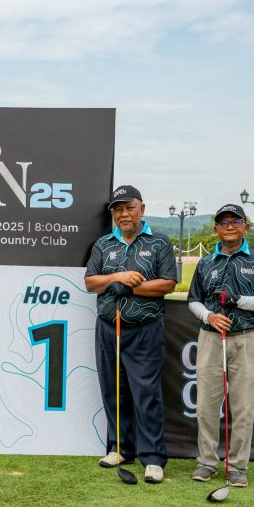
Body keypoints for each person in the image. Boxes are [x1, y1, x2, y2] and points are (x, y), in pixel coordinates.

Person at [85, 185, 176, 483]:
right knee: (113, 390)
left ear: (142, 209)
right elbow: (91, 282)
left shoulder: (159, 242)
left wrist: (131, 288)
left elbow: (167, 284)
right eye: (118, 209)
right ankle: (120, 448)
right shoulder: (103, 244)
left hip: (144, 329)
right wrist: (117, 276)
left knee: (146, 393)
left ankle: (153, 458)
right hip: (108, 327)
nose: (124, 214)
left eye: (129, 208)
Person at [187, 203, 254, 487]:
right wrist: (209, 316)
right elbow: (193, 300)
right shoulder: (205, 263)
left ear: (245, 227)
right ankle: (206, 462)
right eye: (223, 222)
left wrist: (239, 301)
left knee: (243, 408)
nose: (229, 226)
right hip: (211, 338)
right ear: (216, 229)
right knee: (205, 406)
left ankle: (238, 466)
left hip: (248, 338)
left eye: (235, 221)